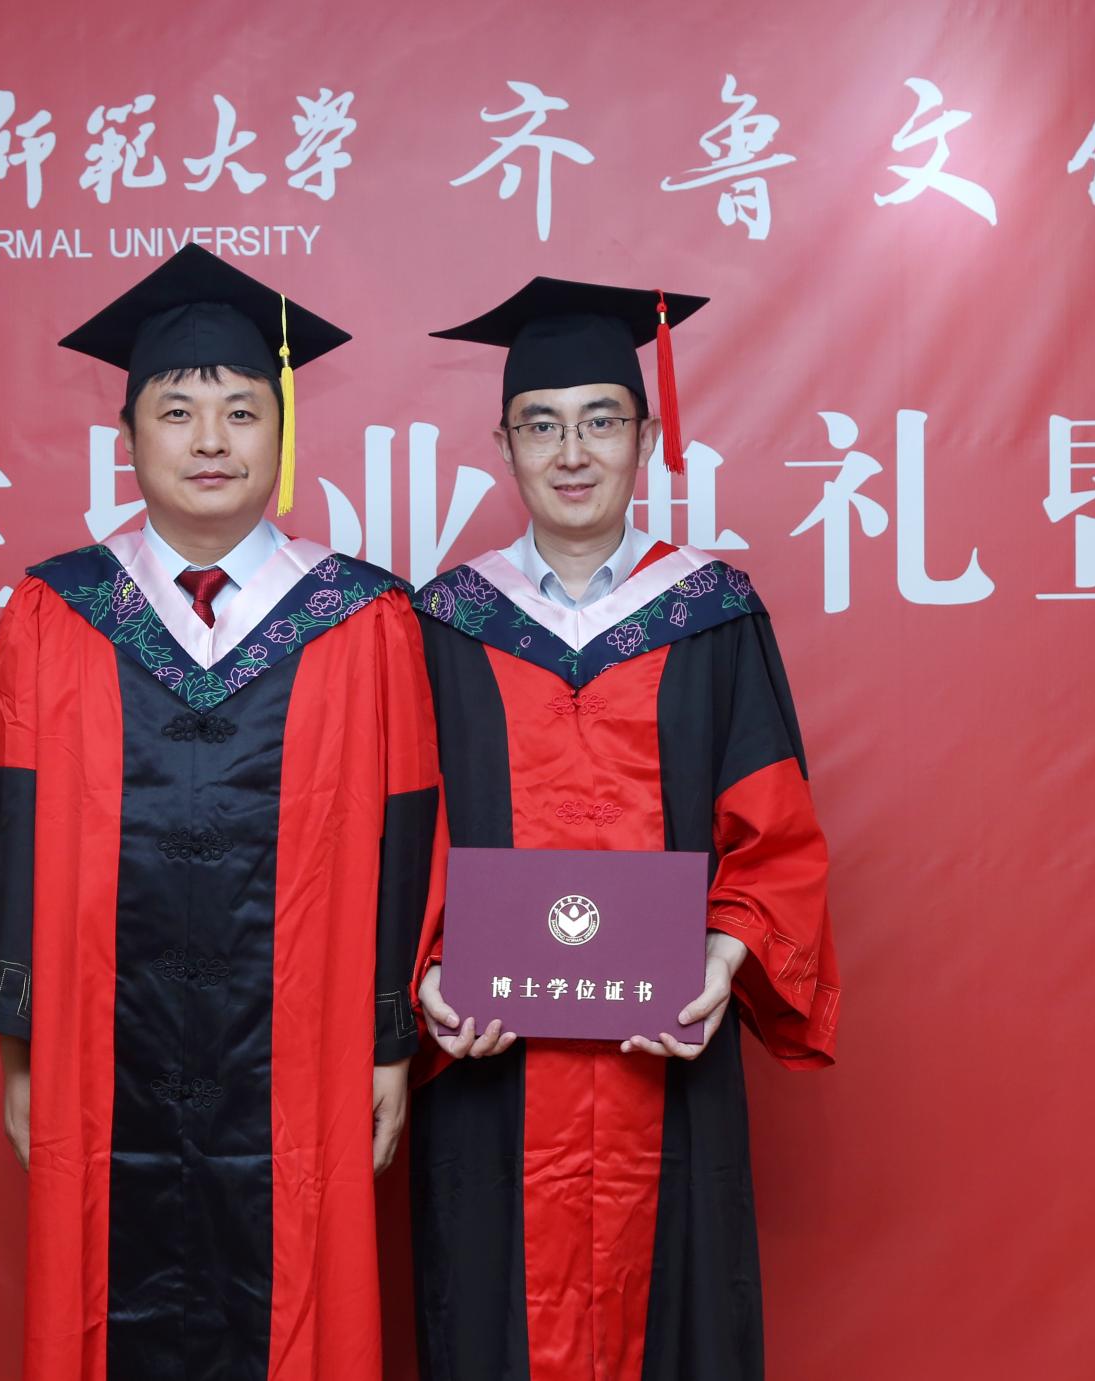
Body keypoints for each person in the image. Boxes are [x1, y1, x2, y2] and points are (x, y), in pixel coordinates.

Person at [0, 244, 444, 1381]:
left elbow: (405, 838)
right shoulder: (56, 611)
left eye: (241, 411)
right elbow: (12, 832)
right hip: (96, 1050)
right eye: (177, 412)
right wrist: (20, 1056)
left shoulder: (361, 617)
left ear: (281, 433)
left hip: (308, 1054)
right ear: (128, 436)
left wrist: (388, 1045)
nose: (211, 440)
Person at [408, 276, 840, 1381]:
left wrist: (721, 960)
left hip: (665, 1067)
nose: (572, 452)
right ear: (503, 445)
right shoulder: (442, 625)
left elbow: (776, 835)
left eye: (601, 420)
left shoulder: (712, 616)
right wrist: (428, 981)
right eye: (541, 425)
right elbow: (395, 844)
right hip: (491, 1074)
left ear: (645, 439)